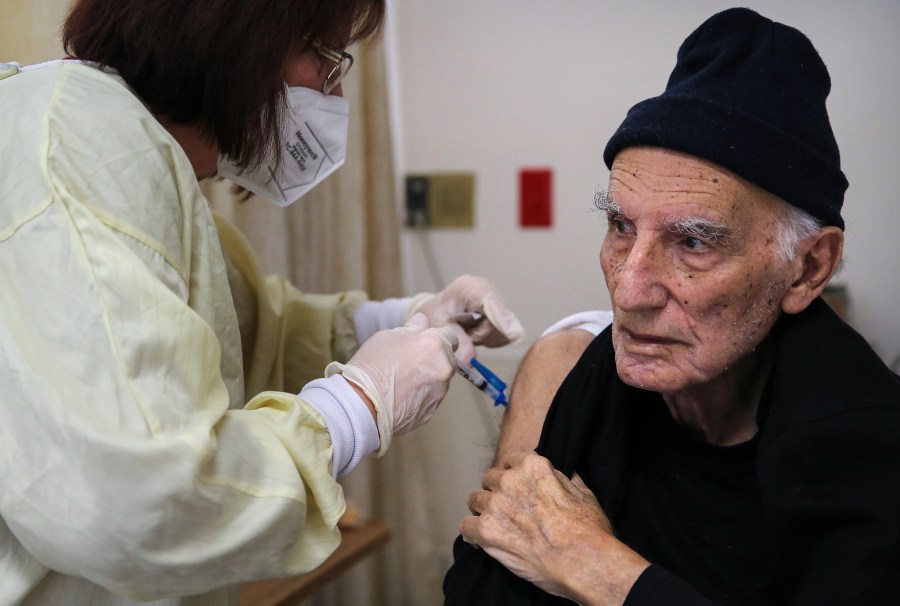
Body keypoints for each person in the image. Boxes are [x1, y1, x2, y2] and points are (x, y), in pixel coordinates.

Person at [0, 0, 525, 604]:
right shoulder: (81, 150)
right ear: (239, 40)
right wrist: (353, 410)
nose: (336, 88)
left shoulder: (131, 153)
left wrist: (403, 320)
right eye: (327, 57)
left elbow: (245, 331)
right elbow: (134, 498)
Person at [444, 7, 900, 605]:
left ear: (808, 268)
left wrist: (603, 571)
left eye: (694, 242)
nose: (629, 292)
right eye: (620, 226)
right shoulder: (596, 382)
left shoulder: (866, 443)